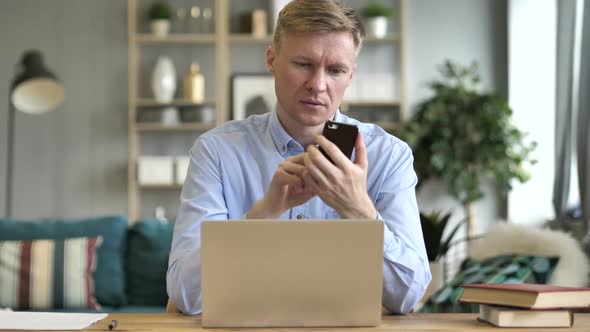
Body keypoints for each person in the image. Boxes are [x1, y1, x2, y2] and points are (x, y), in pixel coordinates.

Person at [167, 0, 431, 315]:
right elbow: (185, 293)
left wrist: (359, 212)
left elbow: (409, 297)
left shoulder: (390, 157)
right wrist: (263, 215)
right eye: (304, 64)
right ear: (271, 59)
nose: (318, 85)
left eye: (335, 70)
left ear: (350, 76)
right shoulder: (216, 152)